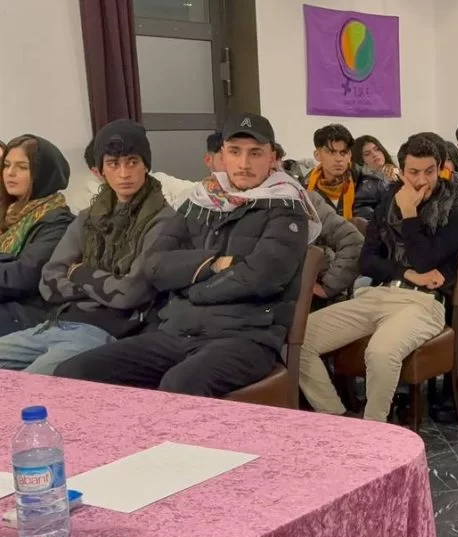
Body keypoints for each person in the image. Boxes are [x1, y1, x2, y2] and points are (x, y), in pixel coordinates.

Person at [55, 113, 319, 396]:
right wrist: (214, 265)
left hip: (245, 337)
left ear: (273, 158)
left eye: (255, 153)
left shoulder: (286, 208)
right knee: (73, 374)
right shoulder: (200, 201)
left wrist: (192, 287)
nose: (244, 164)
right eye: (235, 152)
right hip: (177, 331)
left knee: (179, 385)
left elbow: (261, 278)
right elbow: (155, 266)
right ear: (222, 156)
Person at [295, 134, 458, 421]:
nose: (422, 180)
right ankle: (338, 419)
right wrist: (406, 273)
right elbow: (367, 262)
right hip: (378, 294)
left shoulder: (455, 212)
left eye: (429, 171)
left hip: (423, 303)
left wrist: (410, 213)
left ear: (439, 169)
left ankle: (373, 429)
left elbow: (424, 260)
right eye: (413, 172)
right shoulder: (386, 205)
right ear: (402, 172)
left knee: (380, 352)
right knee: (299, 338)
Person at [0, 120, 173, 374]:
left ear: (145, 165)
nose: (124, 173)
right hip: (56, 323)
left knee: (26, 386)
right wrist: (104, 284)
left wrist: (79, 272)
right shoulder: (88, 217)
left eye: (132, 162)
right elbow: (49, 281)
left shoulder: (164, 220)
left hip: (104, 330)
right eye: (113, 163)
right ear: (101, 170)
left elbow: (129, 292)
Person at [0, 135, 76, 336]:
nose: (10, 173)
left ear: (43, 174)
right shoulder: (10, 214)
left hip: (32, 312)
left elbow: (25, 276)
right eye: (6, 165)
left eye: (22, 167)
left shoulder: (58, 222)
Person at [302, 124, 383, 221]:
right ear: (317, 155)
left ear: (349, 155)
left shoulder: (374, 185)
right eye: (331, 152)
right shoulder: (304, 190)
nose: (338, 159)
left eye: (343, 152)